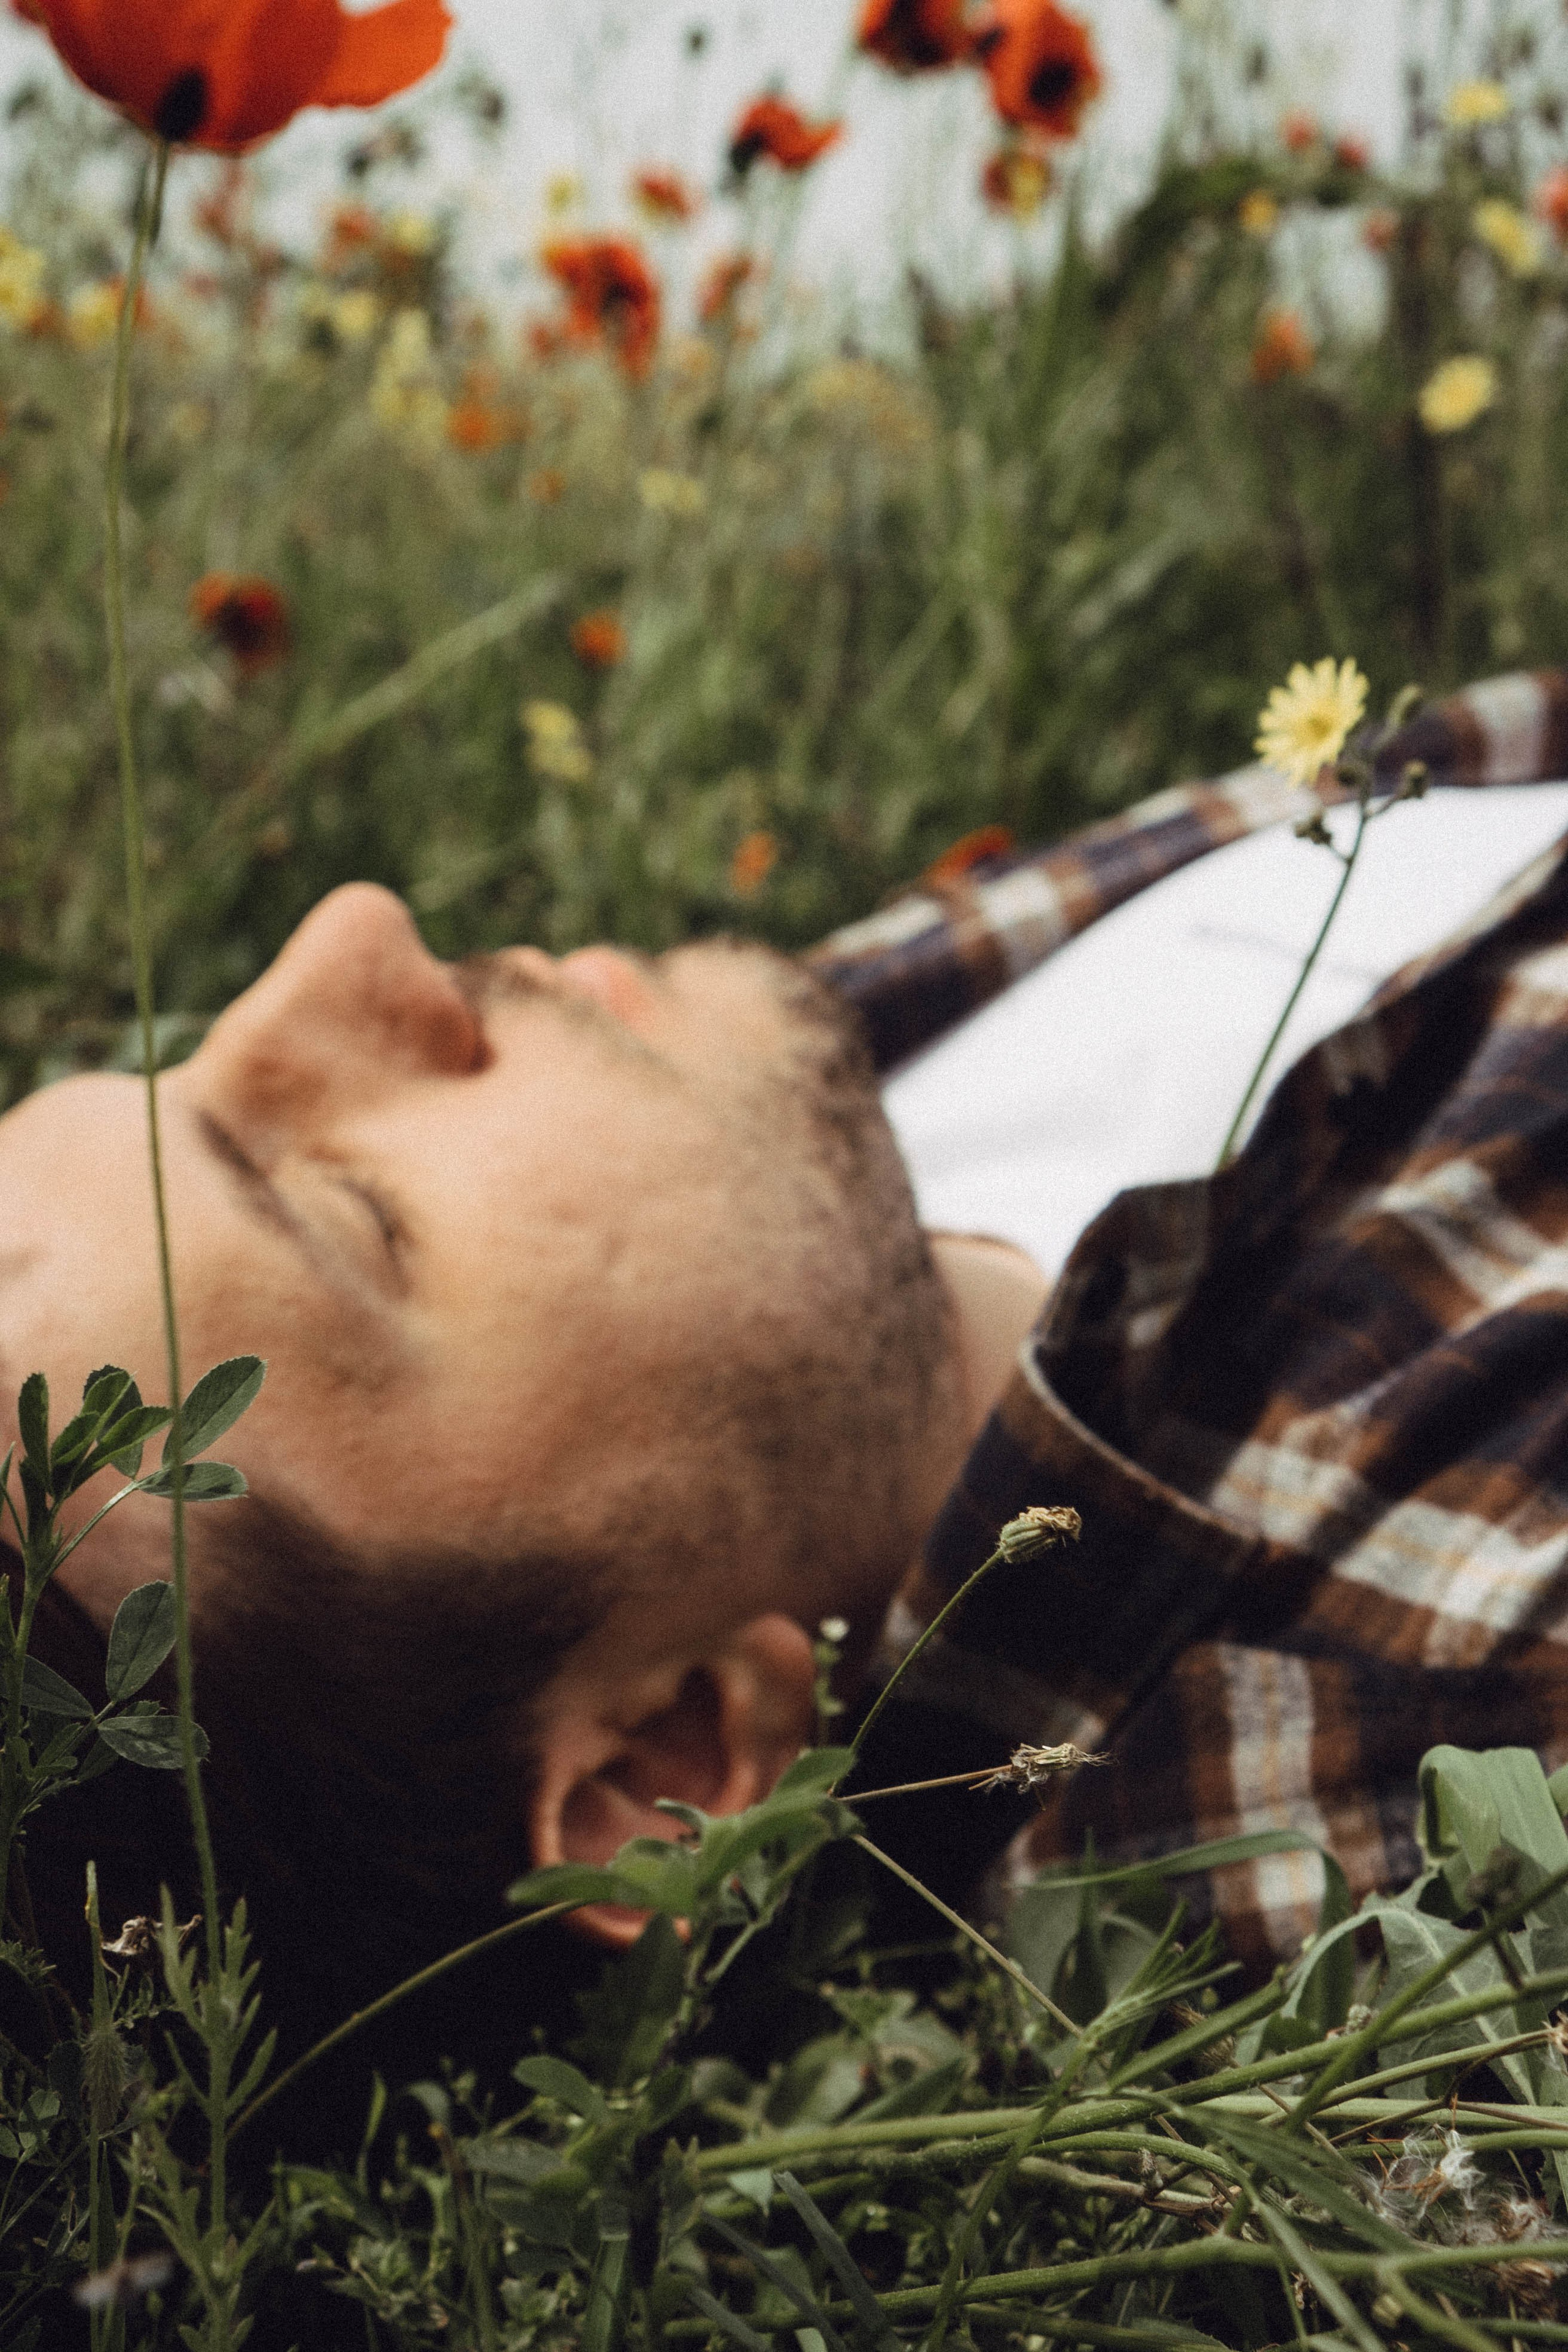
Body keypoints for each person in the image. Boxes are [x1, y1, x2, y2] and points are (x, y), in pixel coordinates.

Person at [10, 663, 1568, 2048]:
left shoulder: (777, 1140)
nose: (359, 936)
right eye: (354, 1212)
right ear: (663, 1778)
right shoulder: (1438, 1700)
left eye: (183, 1054)